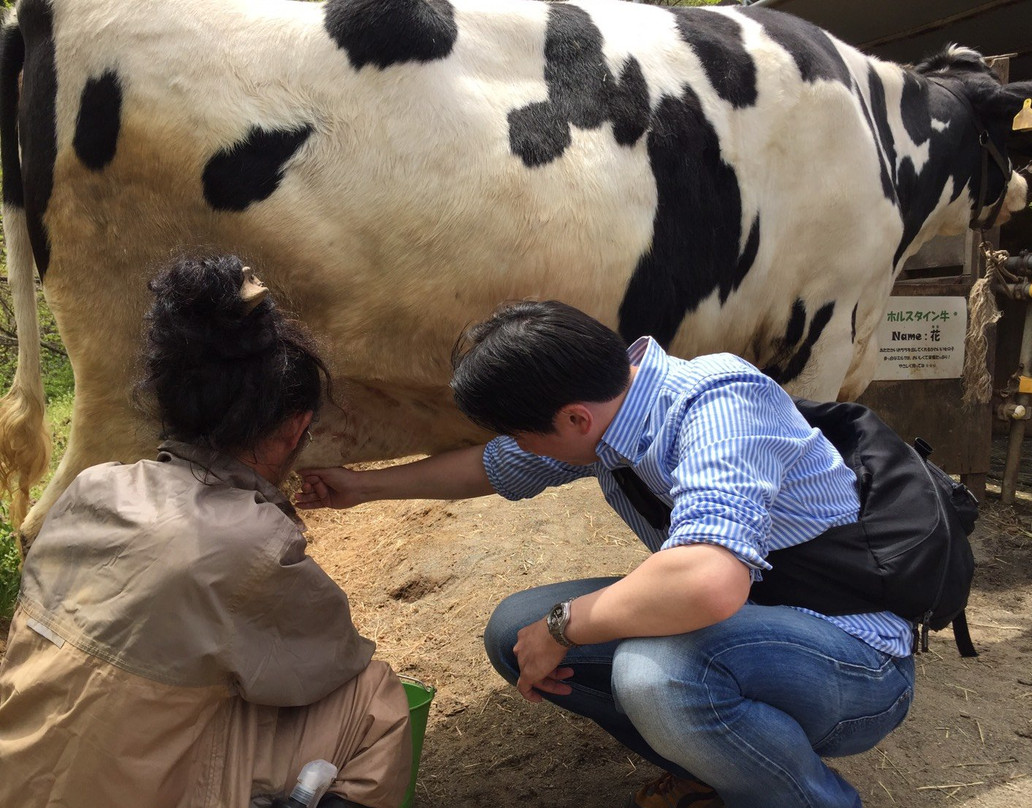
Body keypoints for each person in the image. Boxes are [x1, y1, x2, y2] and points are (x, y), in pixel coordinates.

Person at [298, 300, 916, 808]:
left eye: (521, 431)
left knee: (658, 674)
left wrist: (564, 627)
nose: (517, 446)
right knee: (515, 632)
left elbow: (708, 583)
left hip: (856, 658)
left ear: (571, 418)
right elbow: (490, 467)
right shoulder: (609, 409)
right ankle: (717, 773)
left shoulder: (720, 401)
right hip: (752, 628)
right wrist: (363, 487)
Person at [0, 256, 413, 808]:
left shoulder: (92, 487)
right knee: (373, 699)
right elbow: (329, 662)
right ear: (293, 430)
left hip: (19, 777)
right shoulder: (258, 541)